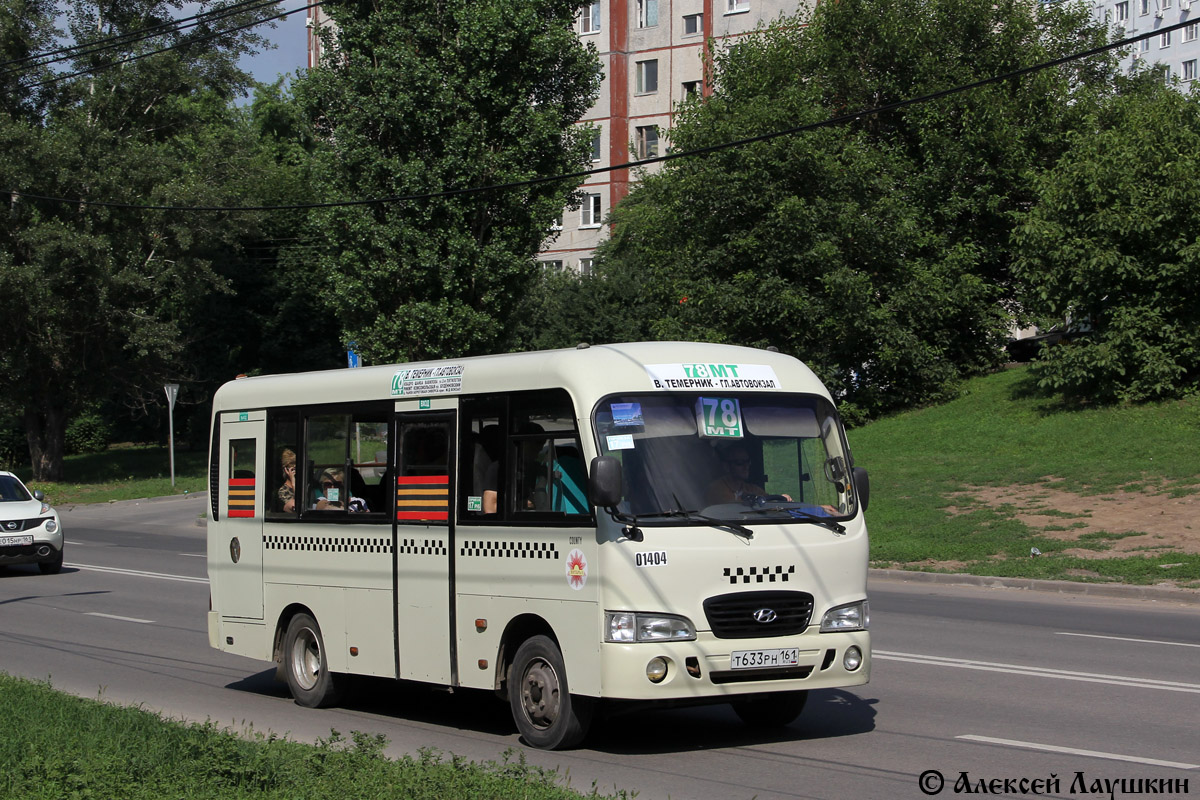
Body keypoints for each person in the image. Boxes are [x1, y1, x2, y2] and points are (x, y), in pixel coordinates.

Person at [277, 449, 297, 513]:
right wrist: (293, 483)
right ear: (286, 470)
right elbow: (296, 508)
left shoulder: (303, 485)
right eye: (293, 469)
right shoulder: (283, 491)